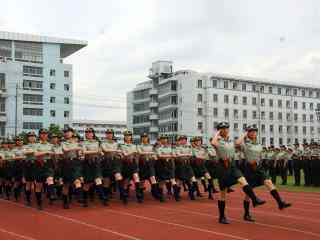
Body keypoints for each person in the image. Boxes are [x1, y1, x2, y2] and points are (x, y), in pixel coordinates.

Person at [211, 122, 265, 224]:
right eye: (222, 128)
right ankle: (222, 216)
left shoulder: (231, 141)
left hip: (232, 165)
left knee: (243, 181)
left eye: (226, 128)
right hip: (222, 167)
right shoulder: (217, 140)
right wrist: (217, 134)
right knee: (223, 193)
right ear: (219, 130)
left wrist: (245, 134)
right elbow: (213, 143)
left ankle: (254, 199)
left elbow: (238, 143)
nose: (225, 130)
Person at [235, 126, 292, 222]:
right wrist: (245, 134)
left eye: (254, 132)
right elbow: (237, 143)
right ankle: (246, 214)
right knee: (248, 193)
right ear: (248, 134)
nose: (253, 133)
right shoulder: (245, 144)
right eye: (251, 132)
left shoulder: (259, 144)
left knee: (269, 182)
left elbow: (260, 156)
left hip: (259, 168)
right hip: (250, 169)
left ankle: (280, 202)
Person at [81, 128, 106, 207]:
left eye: (90, 132)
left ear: (93, 134)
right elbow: (84, 152)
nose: (89, 134)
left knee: (98, 179)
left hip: (96, 162)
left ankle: (102, 197)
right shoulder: (83, 143)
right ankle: (85, 199)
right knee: (87, 183)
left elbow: (100, 151)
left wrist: (101, 153)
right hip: (87, 163)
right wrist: (96, 151)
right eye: (87, 132)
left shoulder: (97, 142)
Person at [61, 127, 83, 209]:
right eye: (65, 132)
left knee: (77, 180)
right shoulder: (63, 143)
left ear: (72, 133)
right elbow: (65, 150)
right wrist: (75, 148)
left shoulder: (77, 143)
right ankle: (65, 201)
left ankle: (80, 197)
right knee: (66, 184)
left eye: (68, 132)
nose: (67, 133)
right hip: (66, 163)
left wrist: (79, 151)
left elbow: (80, 152)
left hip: (75, 162)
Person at [118, 130, 142, 204]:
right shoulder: (121, 146)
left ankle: (138, 194)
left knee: (136, 177)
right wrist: (131, 153)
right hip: (125, 165)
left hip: (133, 165)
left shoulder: (135, 145)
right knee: (126, 181)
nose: (128, 137)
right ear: (124, 137)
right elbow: (122, 155)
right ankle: (124, 196)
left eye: (129, 135)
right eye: (126, 136)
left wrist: (136, 163)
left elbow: (137, 154)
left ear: (131, 137)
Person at [100, 129, 121, 205]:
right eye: (108, 133)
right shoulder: (103, 143)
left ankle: (123, 194)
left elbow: (120, 152)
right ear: (106, 135)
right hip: (106, 162)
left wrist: (115, 152)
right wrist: (115, 151)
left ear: (113, 135)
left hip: (115, 162)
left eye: (111, 133)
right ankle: (105, 197)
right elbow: (105, 150)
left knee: (118, 177)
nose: (109, 135)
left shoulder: (116, 143)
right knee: (106, 181)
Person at [136, 133, 159, 201]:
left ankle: (155, 193)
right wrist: (150, 153)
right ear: (141, 138)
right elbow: (140, 153)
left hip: (150, 164)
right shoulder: (139, 145)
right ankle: (140, 195)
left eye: (145, 137)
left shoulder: (151, 146)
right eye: (143, 137)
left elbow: (155, 155)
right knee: (142, 181)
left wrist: (152, 155)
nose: (144, 138)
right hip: (142, 164)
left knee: (153, 178)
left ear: (147, 138)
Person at [155, 135, 177, 202]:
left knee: (173, 180)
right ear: (160, 140)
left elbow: (174, 155)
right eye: (163, 139)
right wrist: (169, 155)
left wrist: (166, 155)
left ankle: (176, 195)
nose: (164, 140)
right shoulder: (158, 148)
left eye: (166, 139)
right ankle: (160, 196)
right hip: (161, 165)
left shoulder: (170, 147)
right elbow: (159, 156)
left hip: (169, 165)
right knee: (162, 181)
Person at [174, 135, 195, 201]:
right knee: (179, 181)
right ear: (179, 141)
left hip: (188, 165)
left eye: (184, 140)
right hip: (180, 165)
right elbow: (178, 155)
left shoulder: (189, 147)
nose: (183, 141)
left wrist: (183, 154)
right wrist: (186, 154)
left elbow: (191, 154)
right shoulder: (176, 148)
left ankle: (191, 195)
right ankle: (176, 195)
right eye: (181, 140)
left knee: (193, 180)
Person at [22, 132, 38, 207]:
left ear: (35, 137)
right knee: (28, 183)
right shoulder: (25, 146)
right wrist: (34, 151)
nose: (32, 137)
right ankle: (28, 199)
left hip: (36, 164)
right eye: (30, 136)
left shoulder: (39, 145)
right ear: (28, 138)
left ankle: (38, 199)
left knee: (36, 182)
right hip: (28, 165)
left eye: (33, 136)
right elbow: (25, 152)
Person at [11, 136, 25, 202]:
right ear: (16, 142)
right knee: (17, 182)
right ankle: (16, 194)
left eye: (21, 140)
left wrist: (20, 157)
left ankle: (19, 191)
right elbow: (13, 157)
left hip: (25, 165)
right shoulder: (14, 149)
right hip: (16, 166)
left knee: (23, 181)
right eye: (18, 140)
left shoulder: (25, 148)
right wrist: (22, 157)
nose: (19, 141)